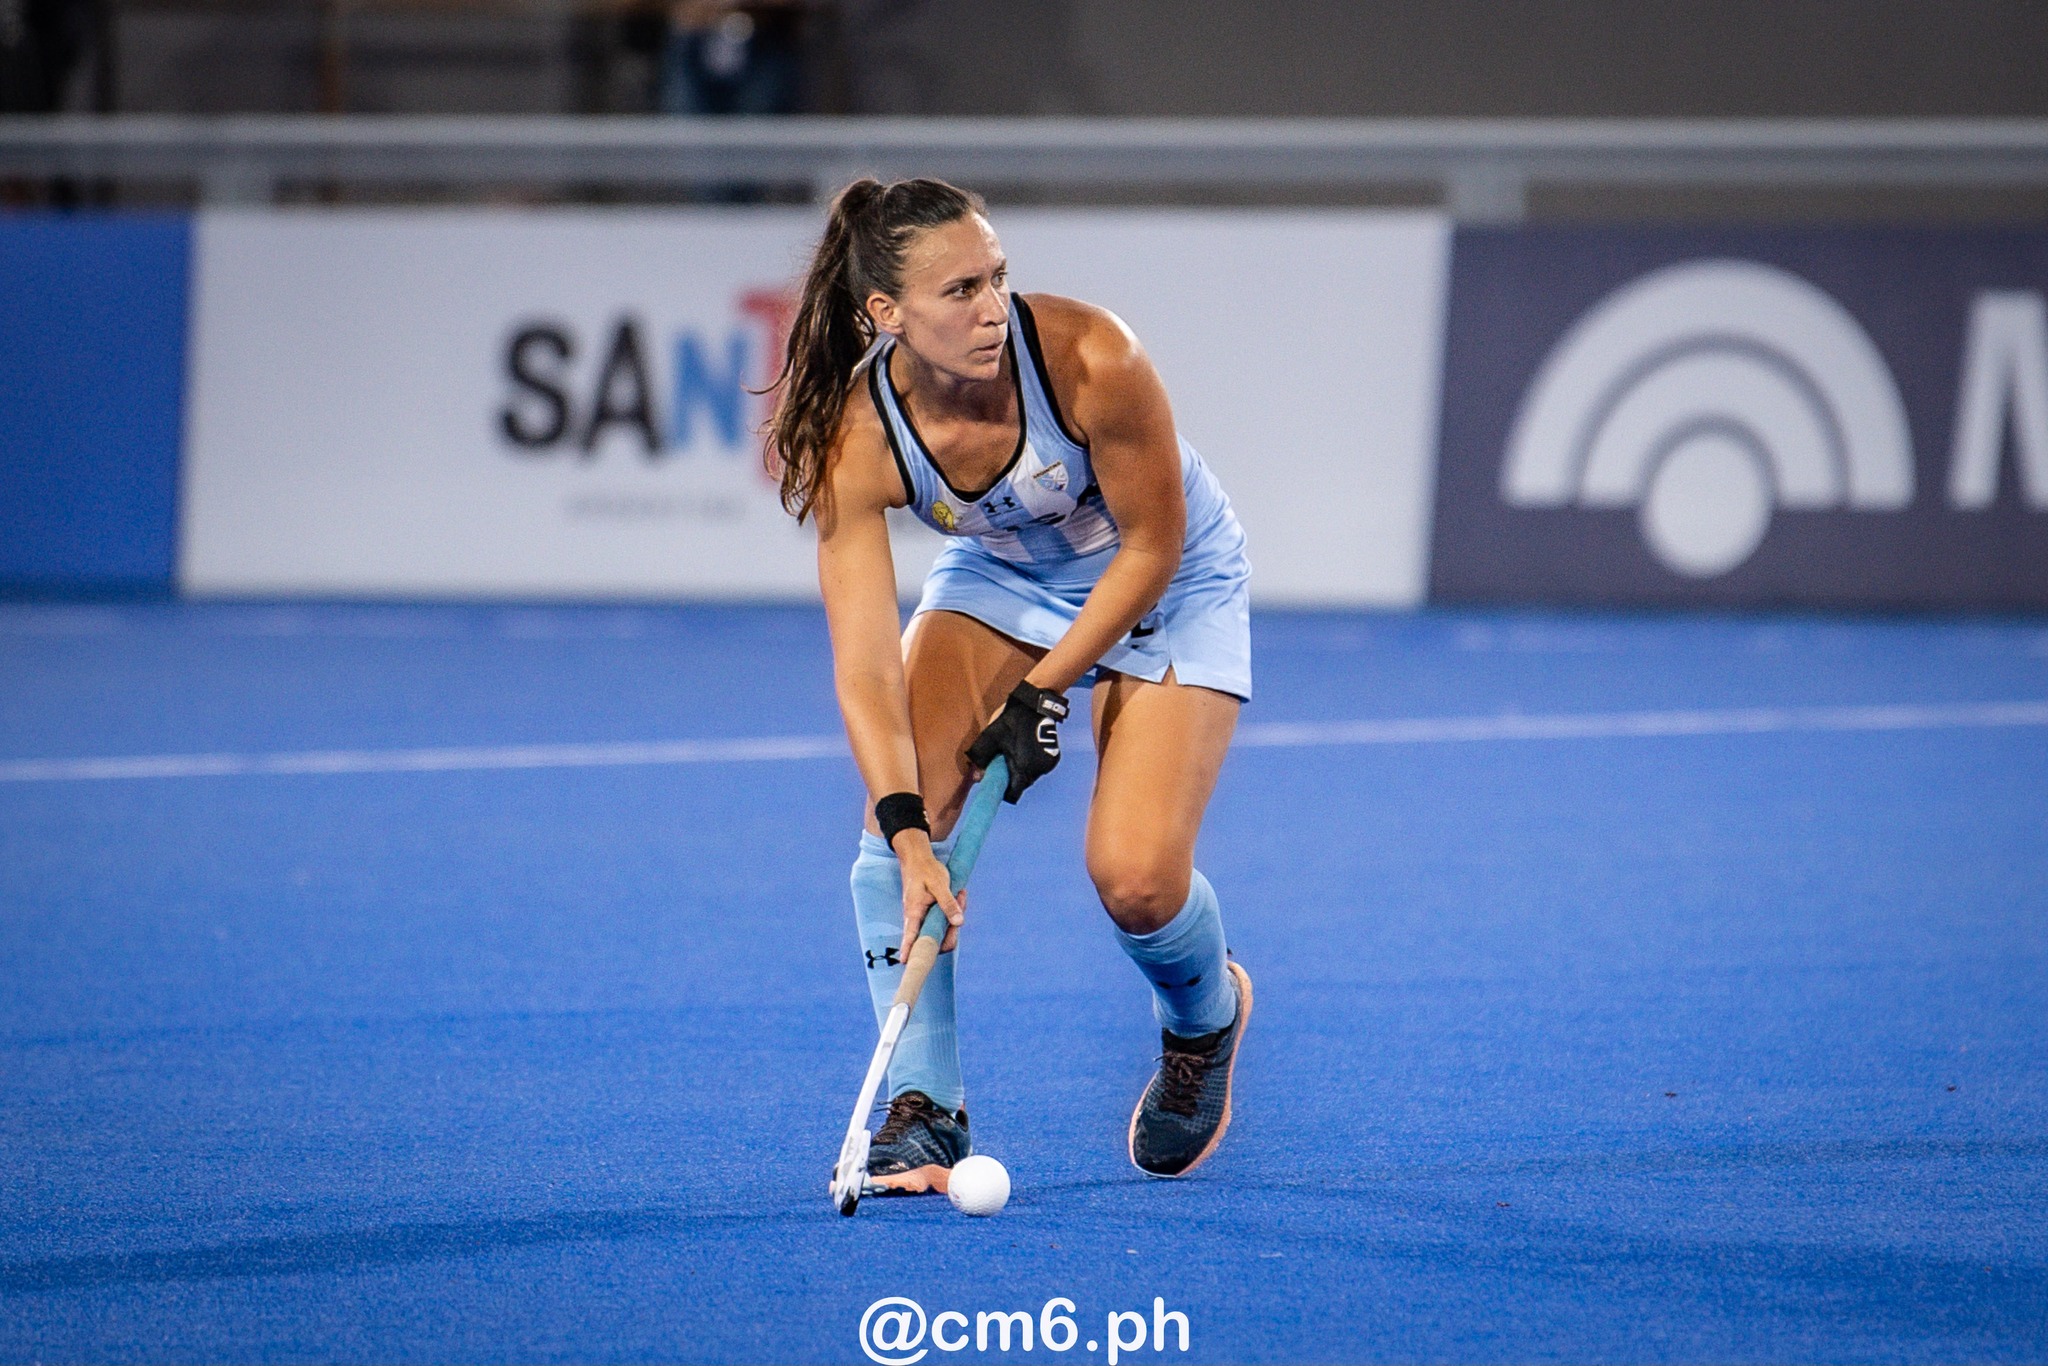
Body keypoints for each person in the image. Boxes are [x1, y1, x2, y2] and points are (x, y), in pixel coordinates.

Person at [767, 177, 1254, 1190]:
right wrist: (906, 833)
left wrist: (1042, 692)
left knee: (1135, 881)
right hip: (1002, 575)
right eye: (957, 292)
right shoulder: (856, 437)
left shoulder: (1089, 358)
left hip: (1163, 578)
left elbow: (1153, 545)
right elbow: (863, 661)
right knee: (887, 838)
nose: (990, 308)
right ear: (885, 315)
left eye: (996, 278)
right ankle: (922, 1106)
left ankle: (1202, 1017)